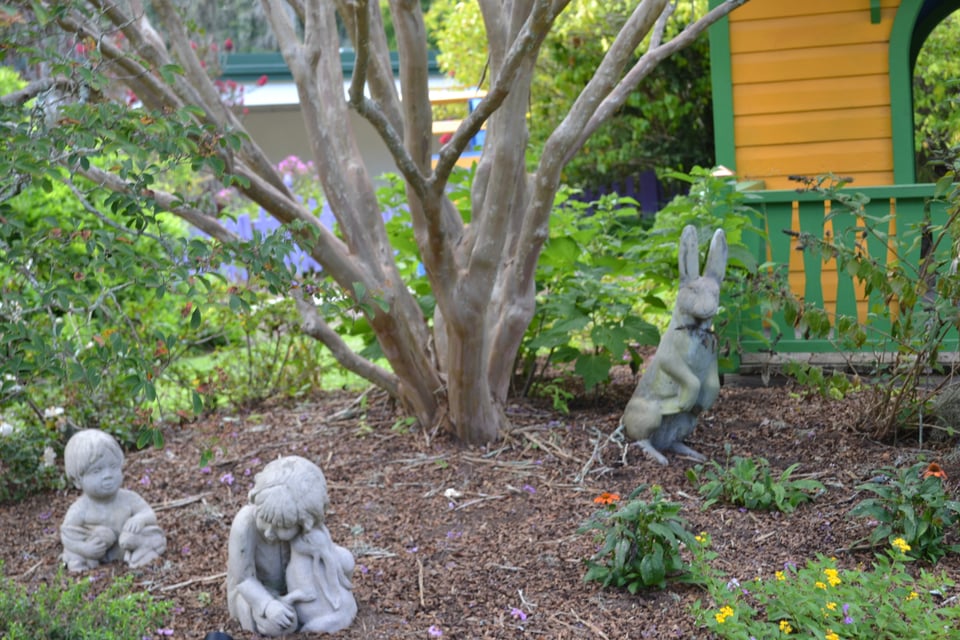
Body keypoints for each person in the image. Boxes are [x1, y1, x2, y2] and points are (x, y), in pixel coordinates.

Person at [226, 456, 356, 636]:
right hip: (257, 592)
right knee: (283, 624)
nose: (270, 532)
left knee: (345, 560)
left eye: (282, 528)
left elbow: (328, 558)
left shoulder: (306, 526)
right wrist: (268, 605)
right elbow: (243, 579)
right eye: (264, 520)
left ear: (303, 522)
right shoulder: (245, 525)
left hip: (294, 588)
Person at [60, 429, 166, 571]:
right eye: (97, 471)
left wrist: (139, 519)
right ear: (77, 481)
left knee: (151, 535)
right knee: (74, 553)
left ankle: (142, 555)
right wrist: (85, 549)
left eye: (113, 467)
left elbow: (149, 514)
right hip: (97, 551)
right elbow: (68, 536)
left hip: (127, 546)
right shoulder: (80, 509)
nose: (108, 475)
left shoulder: (129, 498)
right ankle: (81, 566)